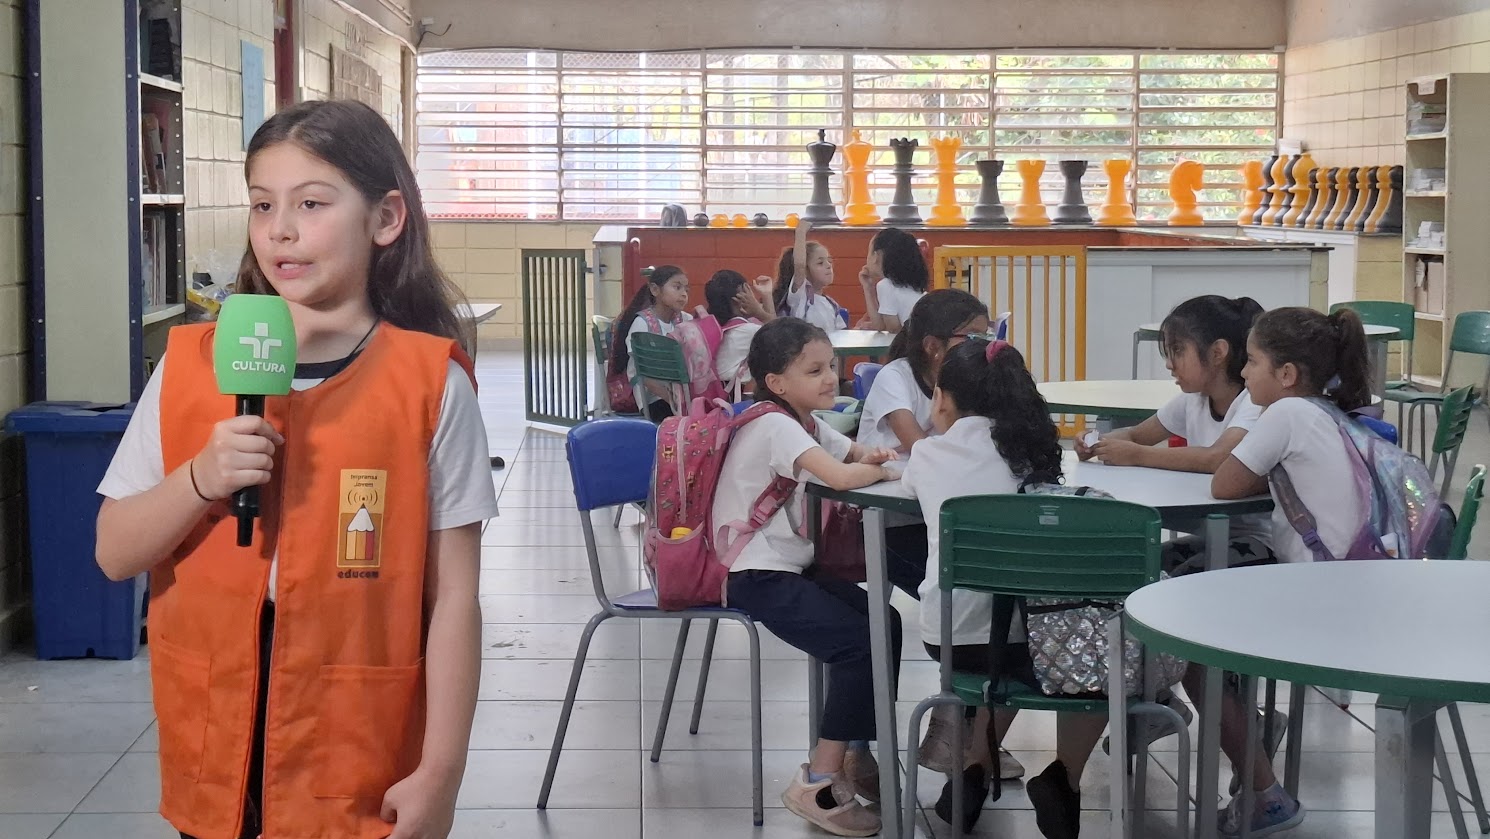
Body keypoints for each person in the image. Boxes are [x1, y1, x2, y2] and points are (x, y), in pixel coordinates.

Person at [94, 100, 498, 839]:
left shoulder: (433, 384)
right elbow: (115, 550)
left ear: (385, 219)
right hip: (215, 742)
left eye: (311, 204)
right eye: (261, 205)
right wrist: (199, 478)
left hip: (355, 754)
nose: (280, 228)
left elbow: (456, 601)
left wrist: (441, 772)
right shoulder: (191, 364)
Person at [901, 337, 1097, 834]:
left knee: (998, 658)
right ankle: (1064, 777)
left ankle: (974, 765)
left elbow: (906, 486)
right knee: (1092, 654)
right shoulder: (1032, 460)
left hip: (949, 637)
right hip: (1041, 642)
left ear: (942, 398)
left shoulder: (926, 455)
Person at [716, 318, 900, 837]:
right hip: (755, 574)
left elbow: (854, 454)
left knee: (883, 621)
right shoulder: (774, 426)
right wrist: (884, 469)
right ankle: (818, 781)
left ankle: (853, 755)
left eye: (832, 368)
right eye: (815, 370)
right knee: (858, 646)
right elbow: (843, 476)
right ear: (776, 382)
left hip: (787, 567)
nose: (830, 379)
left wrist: (874, 457)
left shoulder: (800, 422)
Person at [1206, 306, 1372, 837]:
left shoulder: (1285, 414)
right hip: (1352, 587)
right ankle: (1249, 726)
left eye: (1252, 362)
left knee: (1177, 629)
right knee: (1190, 574)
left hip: (1316, 597)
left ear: (1287, 375)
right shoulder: (1324, 412)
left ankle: (1263, 791)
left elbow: (1224, 484)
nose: (1245, 374)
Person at [1078, 295, 1275, 572]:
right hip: (1212, 534)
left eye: (1178, 351)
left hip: (1261, 541)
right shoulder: (1193, 399)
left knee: (1177, 580)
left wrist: (1137, 455)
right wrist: (1095, 443)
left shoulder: (1252, 402)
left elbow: (1220, 458)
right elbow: (1136, 434)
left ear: (1218, 352)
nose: (1170, 364)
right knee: (1137, 566)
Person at [609, 265, 691, 421]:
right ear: (655, 290)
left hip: (682, 396)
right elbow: (645, 377)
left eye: (686, 290)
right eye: (677, 287)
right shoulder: (642, 324)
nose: (683, 294)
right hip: (654, 399)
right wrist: (674, 400)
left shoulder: (687, 320)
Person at [706, 269, 776, 396]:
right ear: (739, 298)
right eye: (748, 291)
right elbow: (780, 334)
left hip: (714, 393)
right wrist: (759, 311)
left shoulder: (711, 325)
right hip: (735, 397)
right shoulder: (747, 331)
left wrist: (766, 296)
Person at [774, 220, 846, 331]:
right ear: (806, 271)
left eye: (829, 261)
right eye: (820, 263)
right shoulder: (800, 298)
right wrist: (801, 232)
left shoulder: (831, 304)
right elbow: (799, 265)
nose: (828, 266)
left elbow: (841, 334)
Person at [857, 227, 928, 333]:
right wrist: (868, 288)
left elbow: (892, 328)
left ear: (876, 256)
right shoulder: (911, 285)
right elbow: (880, 325)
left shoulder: (885, 286)